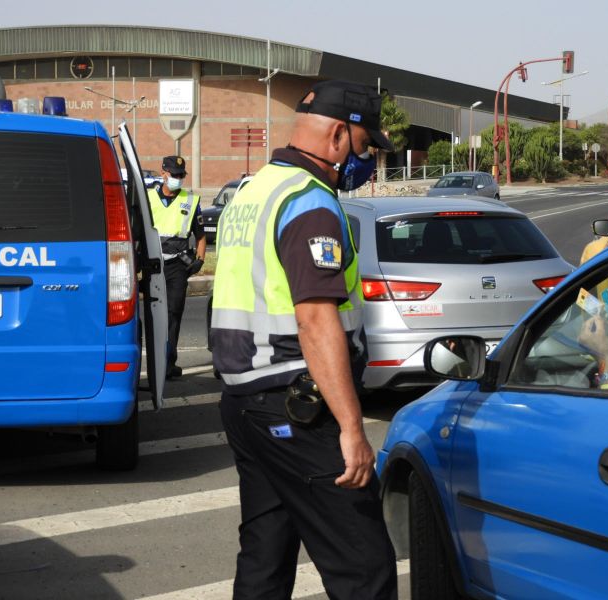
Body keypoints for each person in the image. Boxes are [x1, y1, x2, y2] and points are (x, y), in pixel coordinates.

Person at [210, 80, 397, 600]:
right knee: (364, 565)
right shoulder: (311, 203)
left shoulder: (254, 189)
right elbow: (316, 321)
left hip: (244, 402)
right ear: (339, 134)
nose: (367, 160)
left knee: (265, 557)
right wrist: (352, 428)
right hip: (295, 404)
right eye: (365, 146)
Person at [148, 155, 206, 379]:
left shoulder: (190, 201)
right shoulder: (147, 198)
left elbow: (200, 236)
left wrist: (199, 261)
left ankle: (169, 364)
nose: (178, 179)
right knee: (152, 314)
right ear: (163, 173)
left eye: (182, 175)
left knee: (173, 314)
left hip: (177, 266)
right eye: (174, 175)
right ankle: (153, 362)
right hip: (153, 264)